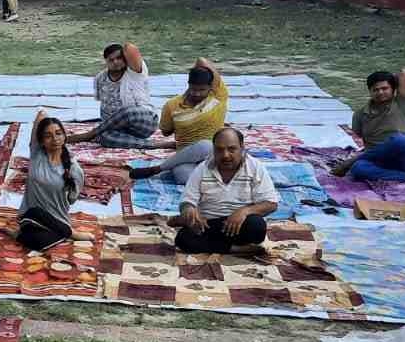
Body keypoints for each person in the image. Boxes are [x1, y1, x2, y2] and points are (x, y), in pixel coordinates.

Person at [171, 126, 279, 254]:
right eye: (219, 150)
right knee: (183, 238)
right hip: (210, 224)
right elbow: (187, 201)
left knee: (257, 225)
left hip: (241, 226)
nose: (225, 155)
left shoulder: (255, 167)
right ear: (213, 149)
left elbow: (271, 204)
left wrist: (244, 211)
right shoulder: (202, 168)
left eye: (232, 149)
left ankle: (214, 246)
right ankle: (235, 249)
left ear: (242, 148)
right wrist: (190, 211)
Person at [131, 58, 227, 183]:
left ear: (210, 87)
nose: (197, 93)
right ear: (188, 85)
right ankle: (181, 170)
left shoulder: (219, 95)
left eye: (202, 90)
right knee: (183, 176)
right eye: (193, 89)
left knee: (206, 146)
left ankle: (158, 169)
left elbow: (201, 61)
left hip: (213, 154)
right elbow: (166, 132)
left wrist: (200, 72)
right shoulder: (172, 105)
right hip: (185, 157)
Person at [333, 66, 405, 182]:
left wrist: (394, 77)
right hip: (377, 160)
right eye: (376, 89)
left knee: (400, 140)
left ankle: (350, 163)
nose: (380, 92)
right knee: (358, 169)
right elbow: (360, 139)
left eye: (385, 88)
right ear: (370, 91)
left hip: (402, 157)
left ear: (393, 89)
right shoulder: (359, 114)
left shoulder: (400, 103)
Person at [10, 110, 85, 252]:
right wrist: (47, 117)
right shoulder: (37, 153)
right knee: (33, 217)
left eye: (58, 133)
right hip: (30, 219)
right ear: (41, 141)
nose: (55, 139)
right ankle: (67, 235)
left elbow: (72, 198)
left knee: (37, 239)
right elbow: (40, 114)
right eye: (48, 136)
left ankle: (65, 233)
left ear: (64, 136)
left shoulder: (74, 169)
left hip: (58, 221)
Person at [69, 42, 156, 146]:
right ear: (106, 62)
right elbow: (105, 107)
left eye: (119, 58)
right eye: (111, 60)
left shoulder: (135, 72)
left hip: (144, 121)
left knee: (128, 111)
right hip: (123, 128)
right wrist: (105, 128)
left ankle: (90, 134)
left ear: (125, 58)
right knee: (105, 138)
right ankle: (154, 145)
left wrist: (124, 51)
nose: (115, 62)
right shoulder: (100, 78)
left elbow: (130, 48)